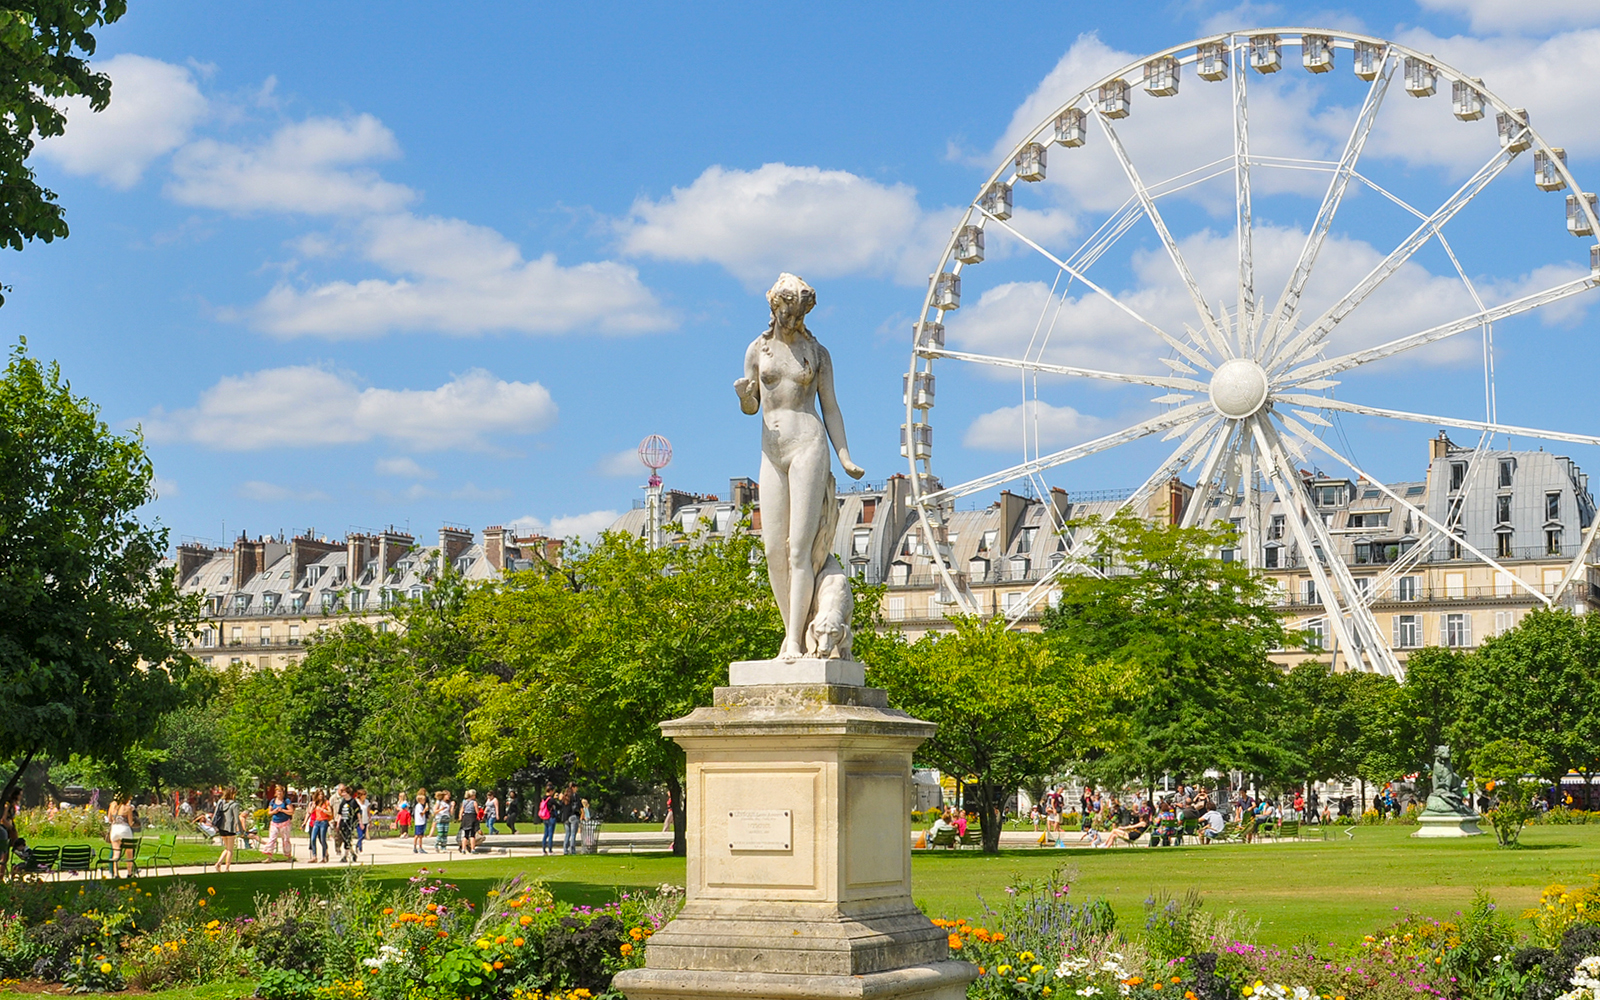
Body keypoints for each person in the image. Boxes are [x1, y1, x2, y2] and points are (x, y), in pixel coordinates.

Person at [734, 272, 866, 659]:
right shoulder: (757, 351)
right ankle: (791, 628)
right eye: (785, 312)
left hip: (808, 443)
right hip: (771, 451)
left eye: (798, 313)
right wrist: (744, 396)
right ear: (774, 308)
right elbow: (752, 406)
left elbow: (831, 407)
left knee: (800, 550)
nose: (790, 320)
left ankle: (793, 640)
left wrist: (844, 456)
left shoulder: (818, 353)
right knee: (774, 549)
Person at [212, 787, 242, 873]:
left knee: (227, 848)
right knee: (230, 850)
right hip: (230, 828)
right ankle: (227, 868)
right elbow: (237, 819)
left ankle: (218, 863)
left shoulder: (221, 802)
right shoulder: (234, 805)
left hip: (221, 827)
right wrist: (241, 831)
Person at [107, 794, 137, 878]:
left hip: (115, 829)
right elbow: (130, 823)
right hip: (125, 829)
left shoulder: (112, 805)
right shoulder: (127, 808)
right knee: (129, 853)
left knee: (116, 853)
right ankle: (129, 873)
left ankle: (116, 873)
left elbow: (109, 819)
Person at [263, 784, 294, 861]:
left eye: (280, 791)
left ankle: (288, 856)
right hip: (275, 822)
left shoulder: (286, 801)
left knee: (286, 840)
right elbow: (269, 812)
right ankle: (269, 857)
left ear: (283, 792)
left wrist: (283, 810)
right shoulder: (273, 801)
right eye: (277, 791)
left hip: (285, 822)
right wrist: (274, 811)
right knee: (272, 839)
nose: (279, 793)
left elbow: (291, 811)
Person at [336, 786, 360, 863]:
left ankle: (345, 856)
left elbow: (358, 813)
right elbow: (340, 813)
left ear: (348, 793)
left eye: (344, 792)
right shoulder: (343, 802)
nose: (343, 794)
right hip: (343, 823)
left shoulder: (353, 802)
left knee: (347, 839)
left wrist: (360, 822)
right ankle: (353, 854)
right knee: (345, 839)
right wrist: (338, 823)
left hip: (350, 823)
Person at [306, 791, 332, 863]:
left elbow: (330, 812)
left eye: (322, 794)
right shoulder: (315, 802)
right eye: (319, 794)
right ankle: (314, 856)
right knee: (313, 838)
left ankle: (324, 856)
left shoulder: (326, 802)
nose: (320, 796)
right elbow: (310, 812)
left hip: (324, 822)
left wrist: (323, 810)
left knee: (322, 839)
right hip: (316, 822)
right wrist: (313, 807)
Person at [459, 789, 481, 853]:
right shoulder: (474, 802)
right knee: (472, 835)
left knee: (465, 835)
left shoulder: (464, 802)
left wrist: (460, 816)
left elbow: (462, 810)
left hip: (465, 817)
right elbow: (477, 811)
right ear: (473, 795)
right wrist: (479, 816)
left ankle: (463, 849)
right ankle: (473, 849)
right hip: (472, 817)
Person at [562, 784, 581, 855]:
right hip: (572, 816)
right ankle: (572, 850)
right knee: (573, 834)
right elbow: (578, 806)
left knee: (567, 834)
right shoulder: (573, 798)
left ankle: (565, 849)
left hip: (565, 818)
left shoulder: (564, 799)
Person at [539, 787, 558, 855]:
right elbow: (558, 805)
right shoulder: (551, 799)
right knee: (550, 834)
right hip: (551, 817)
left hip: (545, 817)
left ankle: (544, 850)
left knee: (545, 834)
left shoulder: (543, 799)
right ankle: (550, 850)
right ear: (550, 791)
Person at [355, 787, 371, 854]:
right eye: (364, 794)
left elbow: (368, 811)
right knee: (360, 835)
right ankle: (360, 848)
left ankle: (357, 845)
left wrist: (370, 820)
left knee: (363, 835)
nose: (365, 796)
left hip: (365, 820)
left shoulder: (366, 802)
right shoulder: (356, 801)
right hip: (359, 821)